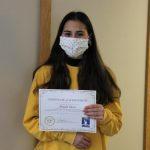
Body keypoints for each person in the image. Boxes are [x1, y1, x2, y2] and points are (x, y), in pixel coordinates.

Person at [23, 11, 122, 150]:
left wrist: (104, 116)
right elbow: (31, 121)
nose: (73, 38)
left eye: (80, 34)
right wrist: (70, 137)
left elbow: (115, 127)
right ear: (60, 37)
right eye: (68, 34)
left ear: (90, 37)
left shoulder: (104, 75)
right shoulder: (44, 74)